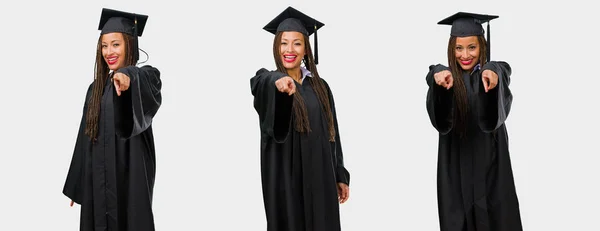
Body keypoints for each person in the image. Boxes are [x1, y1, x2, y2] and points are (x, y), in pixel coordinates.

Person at [250, 6, 350, 231]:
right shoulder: (268, 81)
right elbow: (260, 82)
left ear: (306, 49)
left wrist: (340, 174)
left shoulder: (320, 87)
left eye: (297, 43)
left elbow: (333, 134)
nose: (289, 49)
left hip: (320, 177)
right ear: (277, 47)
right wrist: (278, 82)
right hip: (286, 180)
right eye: (284, 43)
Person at [63, 8, 162, 231]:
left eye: (116, 44)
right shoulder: (95, 89)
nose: (109, 51)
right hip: (96, 177)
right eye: (105, 46)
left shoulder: (145, 77)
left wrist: (128, 77)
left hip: (130, 172)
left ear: (130, 45)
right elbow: (84, 136)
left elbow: (145, 80)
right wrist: (77, 183)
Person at [426, 12, 523, 231]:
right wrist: (438, 75)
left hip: (490, 169)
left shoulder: (492, 73)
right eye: (459, 48)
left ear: (482, 47)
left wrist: (492, 71)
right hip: (456, 171)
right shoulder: (447, 80)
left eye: (472, 47)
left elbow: (503, 68)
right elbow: (439, 115)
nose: (465, 54)